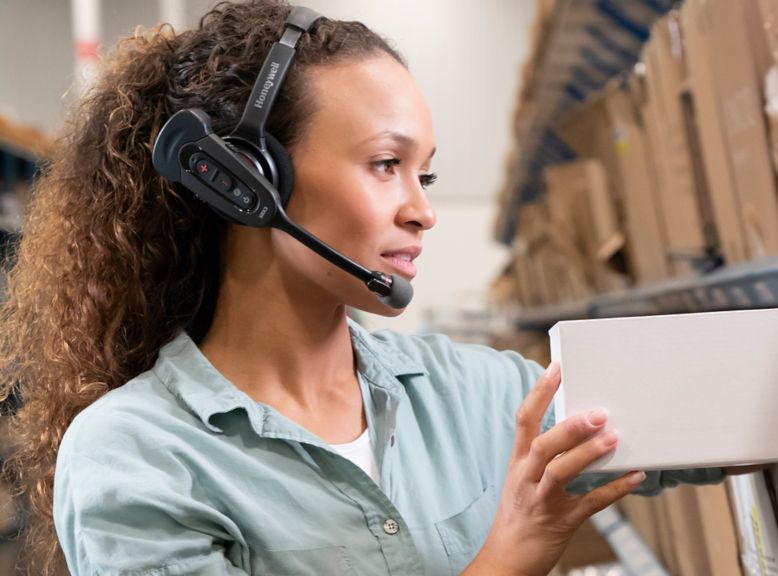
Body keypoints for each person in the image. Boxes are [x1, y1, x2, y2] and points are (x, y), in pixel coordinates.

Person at [0, 2, 722, 574]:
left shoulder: (468, 393)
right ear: (247, 182)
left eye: (425, 173)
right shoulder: (138, 457)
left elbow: (699, 415)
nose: (423, 210)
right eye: (385, 164)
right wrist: (509, 558)